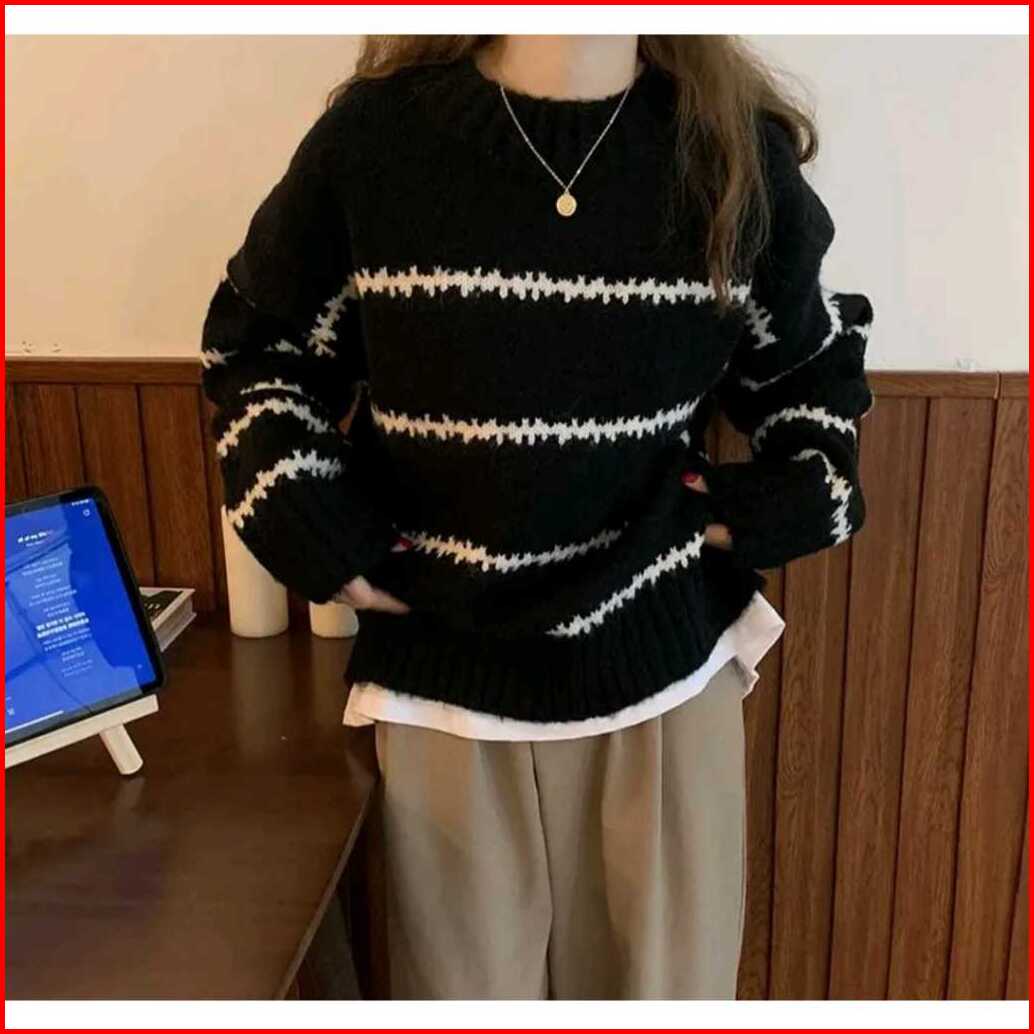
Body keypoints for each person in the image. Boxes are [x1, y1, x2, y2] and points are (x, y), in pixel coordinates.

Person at [200, 34, 874, 999]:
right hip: (443, 679)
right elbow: (259, 349)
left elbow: (810, 375)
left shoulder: (728, 153)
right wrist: (313, 525)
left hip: (663, 676)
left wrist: (772, 504)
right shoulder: (376, 144)